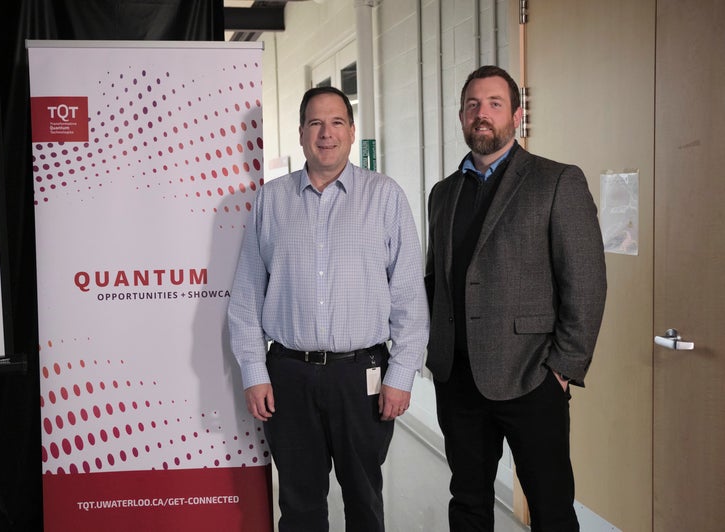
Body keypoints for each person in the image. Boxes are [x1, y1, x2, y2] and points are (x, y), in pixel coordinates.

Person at [228, 86, 429, 532]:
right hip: (288, 376)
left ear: (352, 132)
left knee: (364, 498)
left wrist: (400, 376)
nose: (326, 133)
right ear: (301, 133)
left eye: (337, 122)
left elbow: (410, 298)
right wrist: (254, 371)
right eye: (315, 123)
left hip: (362, 377)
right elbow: (245, 297)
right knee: (299, 506)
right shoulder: (271, 200)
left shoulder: (385, 197)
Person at [424, 65, 607, 531]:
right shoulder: (443, 194)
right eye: (472, 105)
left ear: (517, 116)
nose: (481, 114)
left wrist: (562, 370)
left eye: (494, 104)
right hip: (458, 382)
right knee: (467, 503)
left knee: (550, 509)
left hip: (531, 378)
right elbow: (436, 281)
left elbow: (585, 281)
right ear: (462, 116)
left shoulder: (556, 181)